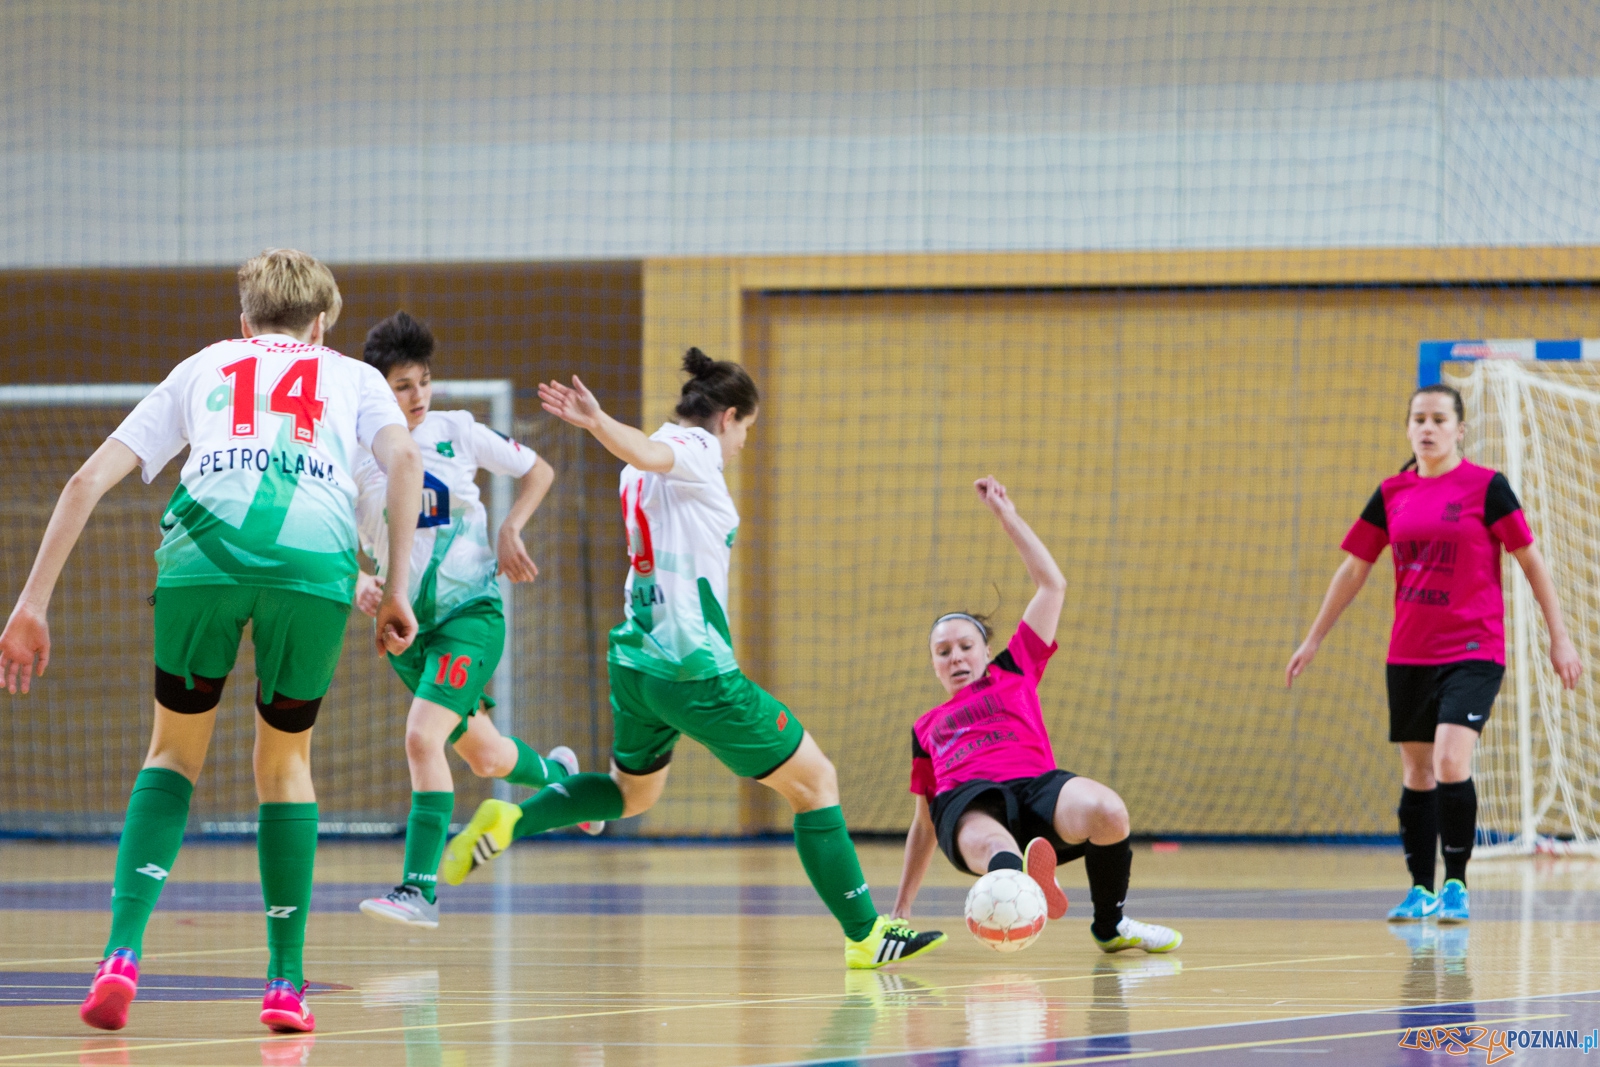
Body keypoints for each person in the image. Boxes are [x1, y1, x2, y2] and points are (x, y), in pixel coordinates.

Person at [0, 249, 424, 1034]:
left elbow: (85, 481)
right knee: (285, 762)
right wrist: (396, 586)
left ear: (244, 321)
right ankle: (286, 983)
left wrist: (32, 602)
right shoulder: (356, 379)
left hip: (203, 556)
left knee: (171, 755)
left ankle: (121, 954)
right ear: (322, 323)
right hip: (313, 560)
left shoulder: (202, 366)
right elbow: (403, 460)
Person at [442, 347, 947, 969]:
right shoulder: (694, 450)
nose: (741, 445)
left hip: (636, 662)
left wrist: (610, 432)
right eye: (746, 431)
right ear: (728, 417)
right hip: (694, 668)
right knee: (817, 783)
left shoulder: (640, 470)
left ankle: (512, 819)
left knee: (632, 797)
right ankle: (867, 933)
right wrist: (598, 422)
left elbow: (645, 457)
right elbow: (658, 453)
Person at [1287, 383, 1582, 922]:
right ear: (1408, 428)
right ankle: (1420, 889)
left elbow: (1531, 561)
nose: (1427, 428)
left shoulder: (1487, 488)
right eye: (1418, 419)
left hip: (1474, 648)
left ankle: (1458, 885)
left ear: (1459, 430)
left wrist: (1557, 636)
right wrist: (1313, 638)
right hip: (1409, 654)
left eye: (1439, 419)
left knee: (1451, 758)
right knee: (1418, 773)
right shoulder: (1391, 492)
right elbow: (1355, 568)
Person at [351, 311, 598, 930]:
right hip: (408, 629)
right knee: (486, 757)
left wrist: (511, 525)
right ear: (377, 389)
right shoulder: (356, 454)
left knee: (421, 738)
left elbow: (537, 469)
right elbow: (331, 536)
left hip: (470, 615)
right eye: (402, 386)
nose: (417, 396)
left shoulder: (456, 430)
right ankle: (568, 785)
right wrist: (359, 579)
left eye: (423, 382)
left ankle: (420, 890)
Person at [890, 477, 1183, 955]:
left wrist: (1008, 517)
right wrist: (901, 908)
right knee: (992, 844)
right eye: (943, 652)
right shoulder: (926, 727)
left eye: (966, 646)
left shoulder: (1015, 670)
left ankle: (1111, 925)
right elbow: (923, 823)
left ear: (987, 651)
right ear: (933, 664)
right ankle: (1018, 878)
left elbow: (1053, 584)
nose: (956, 657)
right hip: (968, 804)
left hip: (1036, 788)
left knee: (1107, 810)